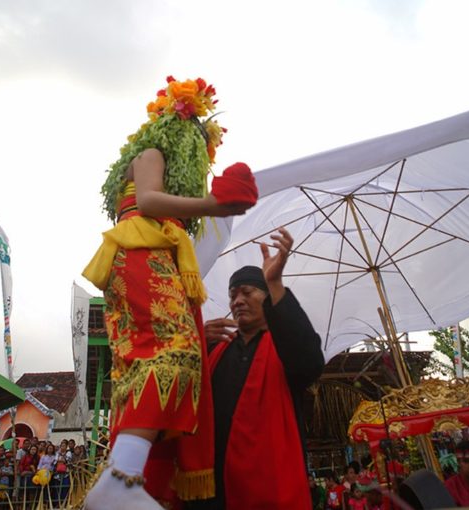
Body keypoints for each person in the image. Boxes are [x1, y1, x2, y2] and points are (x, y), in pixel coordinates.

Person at [83, 75, 256, 510]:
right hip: (141, 252)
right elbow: (150, 201)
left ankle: (125, 475)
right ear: (176, 131)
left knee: (171, 359)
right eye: (196, 141)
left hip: (154, 255)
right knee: (170, 354)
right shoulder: (150, 152)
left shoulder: (166, 198)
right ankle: (120, 481)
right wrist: (215, 206)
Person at [194, 227, 325, 509]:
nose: (237, 300)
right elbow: (190, 398)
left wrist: (275, 282)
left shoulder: (285, 348)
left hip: (271, 488)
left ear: (267, 297)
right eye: (232, 295)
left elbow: (311, 362)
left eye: (247, 292)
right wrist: (198, 344)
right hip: (215, 491)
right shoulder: (217, 349)